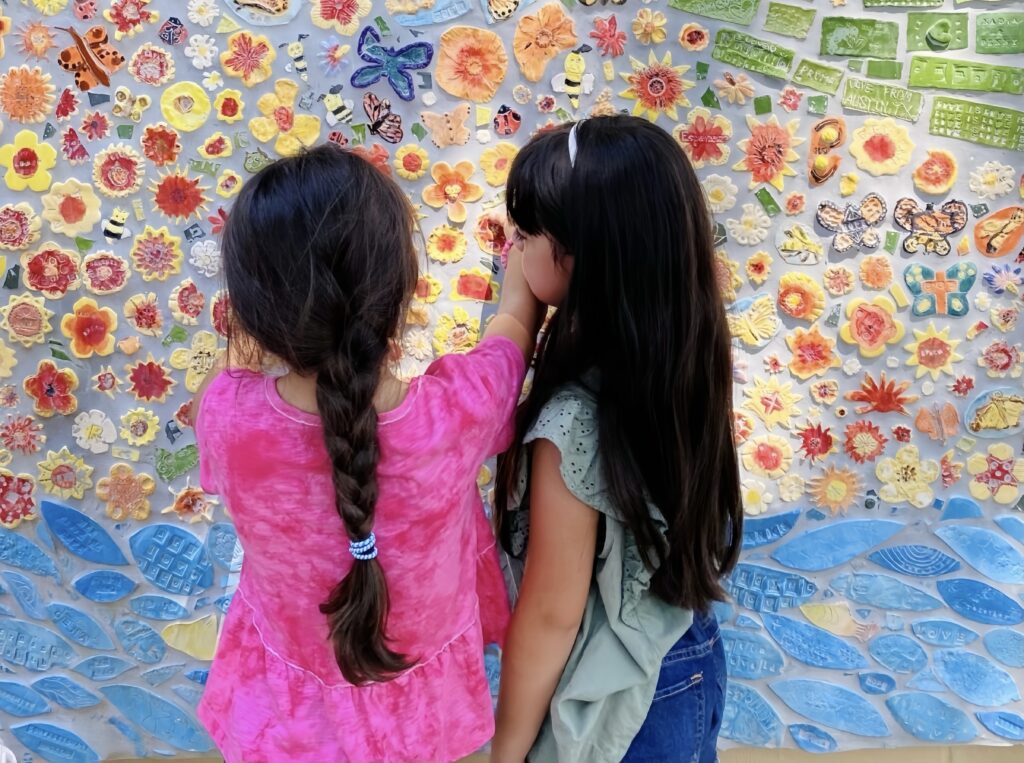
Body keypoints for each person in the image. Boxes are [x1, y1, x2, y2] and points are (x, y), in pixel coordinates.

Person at [193, 145, 543, 762]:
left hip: (288, 720)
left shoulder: (226, 416)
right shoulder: (460, 410)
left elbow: (240, 377)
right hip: (423, 720)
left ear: (251, 309)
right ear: (402, 287)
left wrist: (260, 331)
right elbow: (512, 328)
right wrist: (518, 273)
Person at [491, 116, 743, 763]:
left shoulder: (571, 423)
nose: (512, 246)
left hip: (620, 697)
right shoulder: (680, 361)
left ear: (583, 254)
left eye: (527, 231)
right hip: (686, 650)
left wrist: (506, 752)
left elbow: (552, 618)